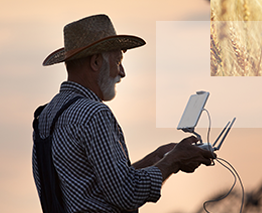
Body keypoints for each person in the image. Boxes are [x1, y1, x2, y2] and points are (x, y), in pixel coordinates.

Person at [32, 14, 214, 213]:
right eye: (118, 61)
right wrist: (173, 161)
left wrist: (157, 158)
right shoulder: (94, 114)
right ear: (95, 62)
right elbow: (126, 194)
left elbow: (101, 186)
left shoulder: (44, 116)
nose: (122, 72)